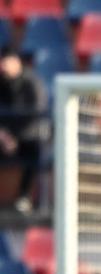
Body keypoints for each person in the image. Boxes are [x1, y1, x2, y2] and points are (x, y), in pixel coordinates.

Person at [0, 47, 45, 214]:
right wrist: (4, 135)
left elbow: (37, 114)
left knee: (35, 151)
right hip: (4, 138)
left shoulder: (32, 82)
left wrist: (15, 137)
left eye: (6, 61)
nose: (3, 66)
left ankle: (24, 197)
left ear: (16, 61)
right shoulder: (2, 83)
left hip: (26, 137)